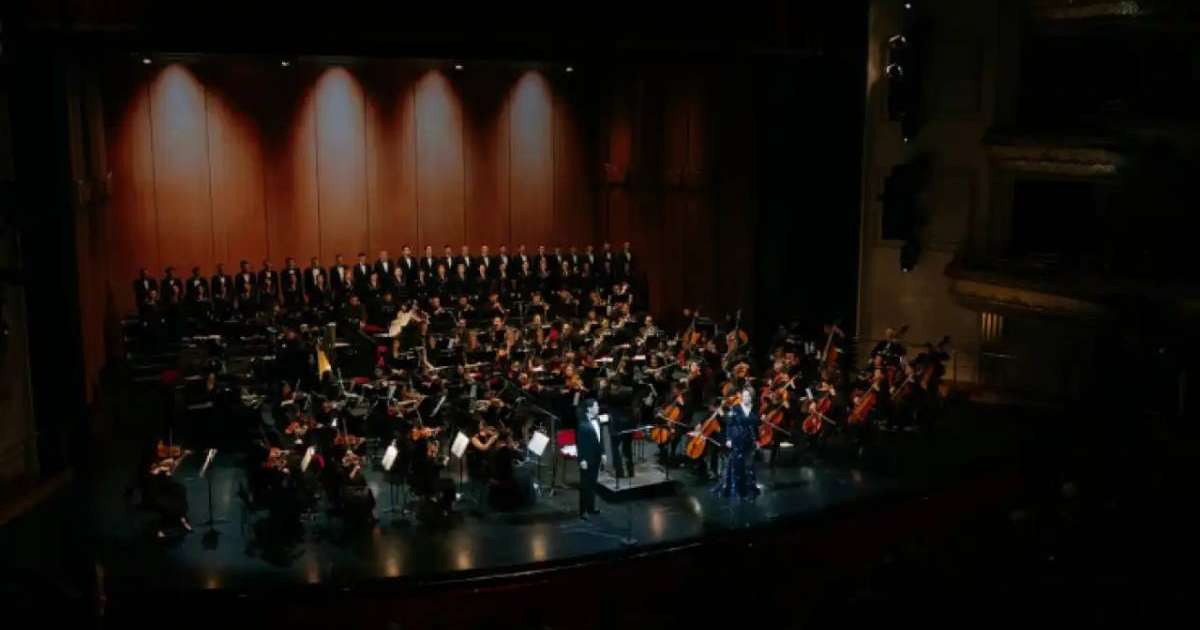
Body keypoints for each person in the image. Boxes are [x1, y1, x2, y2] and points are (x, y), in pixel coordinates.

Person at [715, 386, 760, 500]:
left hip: (749, 439)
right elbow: (730, 423)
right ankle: (737, 490)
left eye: (748, 396)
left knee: (748, 465)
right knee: (736, 465)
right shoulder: (735, 407)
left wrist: (758, 439)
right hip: (736, 438)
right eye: (744, 395)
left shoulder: (754, 409)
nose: (745, 398)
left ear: (751, 397)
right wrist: (729, 438)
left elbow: (755, 425)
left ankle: (749, 489)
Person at [575, 398, 604, 519]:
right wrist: (581, 460)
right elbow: (580, 444)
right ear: (589, 409)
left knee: (593, 484)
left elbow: (600, 439)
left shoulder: (597, 419)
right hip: (586, 460)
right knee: (585, 486)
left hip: (596, 457)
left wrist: (603, 453)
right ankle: (583, 511)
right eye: (596, 406)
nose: (598, 408)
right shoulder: (582, 424)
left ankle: (591, 508)